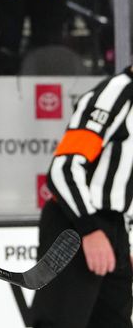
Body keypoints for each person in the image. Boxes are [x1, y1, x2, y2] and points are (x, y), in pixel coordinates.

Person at [31, 67, 133, 328]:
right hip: (74, 224)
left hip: (114, 227)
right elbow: (64, 168)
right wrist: (90, 229)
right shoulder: (115, 94)